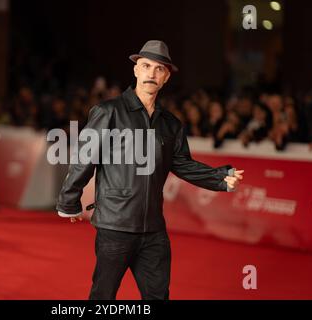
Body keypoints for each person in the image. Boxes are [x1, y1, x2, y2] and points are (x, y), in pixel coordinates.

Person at [56, 40, 244, 300]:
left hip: (153, 230)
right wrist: (69, 202)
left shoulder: (170, 124)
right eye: (146, 66)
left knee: (158, 296)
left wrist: (219, 178)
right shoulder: (108, 112)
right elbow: (84, 159)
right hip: (115, 227)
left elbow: (182, 164)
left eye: (159, 69)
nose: (151, 74)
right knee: (103, 296)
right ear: (135, 70)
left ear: (166, 77)